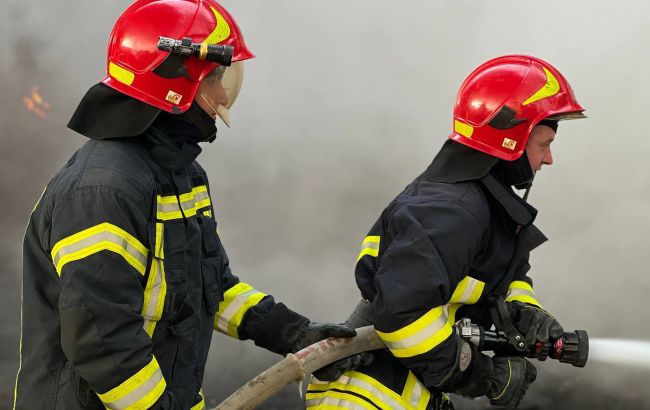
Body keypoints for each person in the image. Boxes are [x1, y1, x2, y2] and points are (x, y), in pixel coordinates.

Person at [13, 1, 355, 408]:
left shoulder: (180, 174)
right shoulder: (103, 190)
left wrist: (292, 332)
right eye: (214, 78)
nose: (223, 93)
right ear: (172, 81)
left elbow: (207, 286)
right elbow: (101, 340)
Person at [306, 55, 586, 409]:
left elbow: (499, 273)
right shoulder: (452, 211)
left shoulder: (480, 202)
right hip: (366, 399)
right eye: (544, 145)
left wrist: (524, 312)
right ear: (511, 140)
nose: (548, 159)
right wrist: (483, 376)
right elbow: (402, 315)